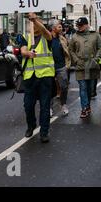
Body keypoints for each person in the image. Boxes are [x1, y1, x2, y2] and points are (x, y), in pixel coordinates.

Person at [20, 12, 55, 143]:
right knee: (28, 105)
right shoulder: (25, 37)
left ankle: (44, 132)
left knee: (45, 106)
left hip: (45, 76)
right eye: (31, 24)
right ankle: (31, 125)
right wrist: (27, 53)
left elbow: (46, 31)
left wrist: (34, 20)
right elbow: (23, 50)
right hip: (30, 77)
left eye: (36, 24)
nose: (33, 26)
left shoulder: (47, 37)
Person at [69, 17, 101, 118]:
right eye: (78, 25)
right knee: (83, 87)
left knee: (90, 88)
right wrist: (76, 60)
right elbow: (71, 50)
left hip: (92, 66)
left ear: (87, 25)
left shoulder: (95, 35)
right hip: (80, 66)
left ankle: (87, 105)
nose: (79, 27)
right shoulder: (74, 36)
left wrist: (96, 59)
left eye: (81, 25)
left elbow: (100, 48)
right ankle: (84, 108)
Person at [50, 19, 71, 116]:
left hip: (61, 66)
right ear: (53, 28)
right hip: (49, 67)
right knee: (49, 88)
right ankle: (49, 107)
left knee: (64, 87)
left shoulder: (62, 38)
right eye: (59, 26)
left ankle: (63, 104)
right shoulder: (47, 39)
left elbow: (67, 51)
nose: (61, 28)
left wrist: (67, 65)